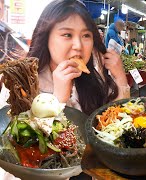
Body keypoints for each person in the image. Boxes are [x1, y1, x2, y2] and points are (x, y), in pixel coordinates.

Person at [0, 0, 130, 116]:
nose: (78, 45)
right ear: (46, 38)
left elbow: (115, 127)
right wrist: (57, 101)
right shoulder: (19, 83)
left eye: (86, 35)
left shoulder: (94, 81)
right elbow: (10, 137)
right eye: (67, 34)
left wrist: (120, 77)